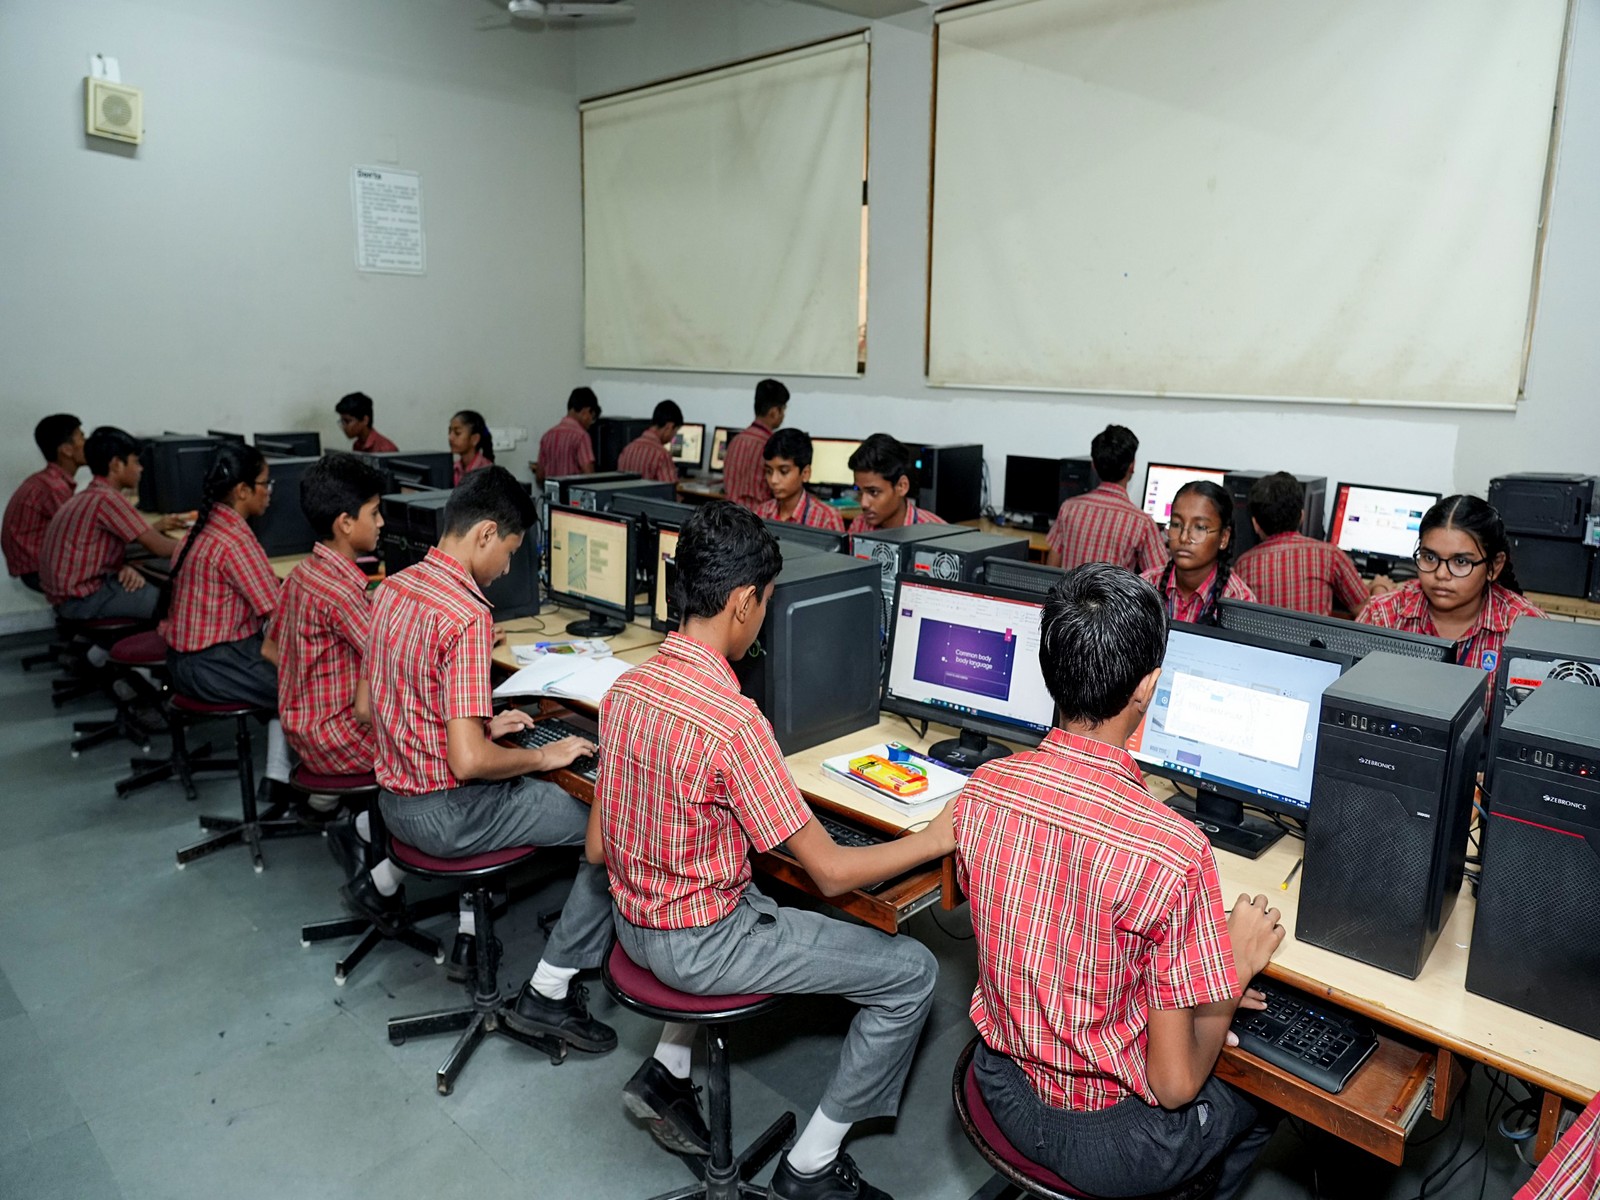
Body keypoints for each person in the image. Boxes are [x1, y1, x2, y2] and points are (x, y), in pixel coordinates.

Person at [589, 501, 952, 1200]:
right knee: (912, 971)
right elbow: (831, 870)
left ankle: (666, 1072)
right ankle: (810, 1164)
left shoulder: (627, 690)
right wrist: (933, 839)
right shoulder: (734, 722)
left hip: (633, 929)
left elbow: (600, 848)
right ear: (744, 604)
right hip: (701, 947)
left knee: (752, 886)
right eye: (767, 604)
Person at [954, 563, 1285, 1200]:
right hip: (1112, 1141)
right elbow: (1174, 1086)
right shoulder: (1175, 851)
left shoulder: (983, 793)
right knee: (1263, 1098)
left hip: (1000, 1086)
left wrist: (1192, 975)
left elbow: (1054, 936)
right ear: (1149, 687)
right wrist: (1231, 971)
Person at [363, 466, 616, 1048]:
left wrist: (477, 721)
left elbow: (387, 701)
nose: (506, 569)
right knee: (615, 827)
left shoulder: (395, 587)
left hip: (394, 805)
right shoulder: (467, 614)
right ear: (482, 534)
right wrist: (543, 756)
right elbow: (471, 764)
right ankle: (549, 991)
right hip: (449, 814)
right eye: (508, 551)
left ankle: (473, 934)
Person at [161, 442, 294, 796]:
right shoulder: (235, 539)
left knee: (286, 670)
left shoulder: (199, 529)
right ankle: (308, 791)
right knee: (312, 682)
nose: (269, 492)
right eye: (266, 483)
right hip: (215, 666)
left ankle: (277, 777)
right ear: (243, 491)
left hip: (182, 663)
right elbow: (278, 615)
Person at [1358, 494, 1544, 674]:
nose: (1441, 574)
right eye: (1430, 557)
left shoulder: (1527, 631)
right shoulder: (1382, 616)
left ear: (1494, 566)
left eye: (1461, 562)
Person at [39, 426, 184, 622]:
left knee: (151, 579)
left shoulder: (91, 494)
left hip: (69, 596)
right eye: (136, 462)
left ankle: (100, 651)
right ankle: (123, 650)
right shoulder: (108, 499)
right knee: (179, 602)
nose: (141, 469)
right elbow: (159, 547)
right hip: (85, 599)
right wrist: (206, 543)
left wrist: (122, 567)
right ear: (116, 464)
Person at [1235, 472, 1371, 617]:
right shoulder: (1330, 555)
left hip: (1263, 640)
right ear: (1302, 516)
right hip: (1312, 640)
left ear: (1255, 523)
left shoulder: (1243, 565)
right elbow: (1366, 612)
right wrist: (1379, 587)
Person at [1045, 425, 1167, 573]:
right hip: (1110, 597)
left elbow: (1051, 567)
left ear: (1093, 466)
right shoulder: (1142, 523)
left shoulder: (1069, 508)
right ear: (1132, 466)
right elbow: (1158, 573)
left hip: (1069, 596)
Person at [1140, 480, 1255, 625]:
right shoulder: (1144, 586)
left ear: (1223, 538)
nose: (1183, 538)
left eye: (1200, 527)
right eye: (1176, 524)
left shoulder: (1239, 601)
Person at [4, 414, 85, 591]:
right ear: (67, 450)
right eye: (82, 437)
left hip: (36, 565)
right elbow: (81, 535)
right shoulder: (54, 487)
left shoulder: (49, 480)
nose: (87, 444)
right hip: (39, 570)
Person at [847, 433, 945, 533]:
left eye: (873, 492)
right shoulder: (859, 525)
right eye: (859, 491)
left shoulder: (936, 533)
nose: (864, 504)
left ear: (901, 486)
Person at [755, 428, 845, 532]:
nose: (773, 480)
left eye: (784, 471)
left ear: (805, 473)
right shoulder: (761, 513)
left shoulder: (826, 519)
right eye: (769, 471)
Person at [722, 378, 788, 509]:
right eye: (783, 410)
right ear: (774, 412)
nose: (784, 415)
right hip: (758, 521)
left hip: (729, 518)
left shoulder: (736, 441)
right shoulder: (772, 446)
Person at [536, 387, 601, 487]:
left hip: (551, 497)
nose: (590, 423)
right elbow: (589, 476)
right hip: (573, 499)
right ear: (586, 411)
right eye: (592, 418)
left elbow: (539, 477)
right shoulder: (581, 436)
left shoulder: (547, 436)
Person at [616, 400, 683, 484]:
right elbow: (670, 491)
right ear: (669, 427)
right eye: (675, 432)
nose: (672, 437)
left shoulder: (627, 450)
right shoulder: (662, 455)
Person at [448, 409, 495, 485]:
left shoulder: (487, 472)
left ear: (475, 439)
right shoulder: (454, 468)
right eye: (450, 432)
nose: (451, 437)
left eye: (457, 433)